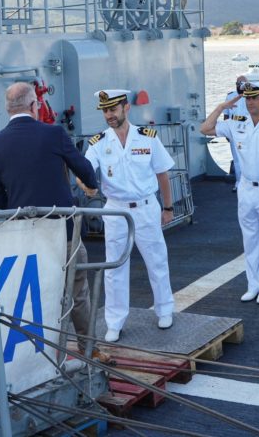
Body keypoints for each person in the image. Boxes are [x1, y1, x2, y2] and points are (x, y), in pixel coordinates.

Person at [0, 82, 103, 357]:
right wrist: (91, 186)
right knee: (77, 291)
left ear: (7, 108)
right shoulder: (53, 134)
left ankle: (37, 355)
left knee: (31, 293)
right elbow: (84, 169)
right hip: (64, 230)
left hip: (23, 235)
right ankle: (89, 350)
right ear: (34, 106)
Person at [78, 89, 176, 343]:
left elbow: (162, 174)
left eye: (113, 109)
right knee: (115, 267)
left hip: (146, 207)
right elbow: (84, 171)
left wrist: (167, 208)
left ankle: (165, 310)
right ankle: (115, 321)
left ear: (126, 108)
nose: (108, 115)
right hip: (116, 210)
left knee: (157, 260)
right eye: (105, 111)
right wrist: (86, 185)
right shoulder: (98, 143)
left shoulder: (148, 138)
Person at [200, 76, 259, 304]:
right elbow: (205, 129)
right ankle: (253, 285)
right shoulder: (237, 123)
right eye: (247, 98)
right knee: (250, 239)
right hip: (245, 188)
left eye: (255, 98)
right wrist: (222, 107)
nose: (250, 102)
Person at [223, 75, 250, 191]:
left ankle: (249, 182)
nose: (240, 86)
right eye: (239, 84)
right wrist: (227, 132)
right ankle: (239, 182)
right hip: (234, 132)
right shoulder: (230, 97)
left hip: (248, 131)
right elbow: (226, 116)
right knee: (237, 158)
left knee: (249, 157)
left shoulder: (252, 96)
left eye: (243, 84)